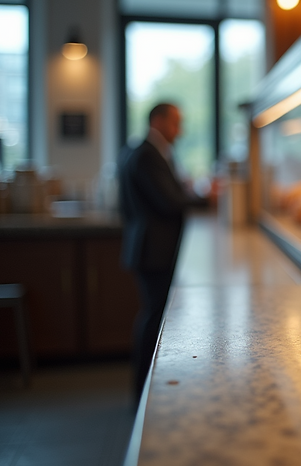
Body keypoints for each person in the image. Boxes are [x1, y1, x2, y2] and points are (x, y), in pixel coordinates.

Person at [120, 103, 207, 399]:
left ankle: (146, 388)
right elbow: (169, 201)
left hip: (150, 247)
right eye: (175, 123)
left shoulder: (149, 151)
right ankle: (144, 391)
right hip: (151, 249)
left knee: (154, 314)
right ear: (158, 121)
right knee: (153, 316)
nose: (179, 131)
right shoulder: (146, 154)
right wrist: (207, 199)